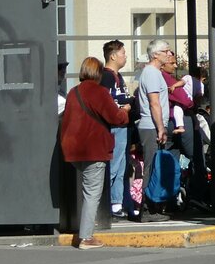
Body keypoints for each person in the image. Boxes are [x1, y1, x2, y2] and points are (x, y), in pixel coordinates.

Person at [60, 56, 129, 249]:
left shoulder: (74, 92)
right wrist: (125, 111)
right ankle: (86, 237)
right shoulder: (99, 92)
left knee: (86, 191)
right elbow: (115, 117)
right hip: (94, 149)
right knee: (92, 194)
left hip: (73, 150)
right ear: (98, 73)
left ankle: (84, 232)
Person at [135, 39, 174, 221]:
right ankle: (146, 208)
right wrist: (161, 128)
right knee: (151, 166)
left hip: (153, 125)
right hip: (151, 126)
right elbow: (154, 103)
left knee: (154, 165)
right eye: (166, 51)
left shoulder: (154, 72)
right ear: (156, 54)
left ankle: (153, 206)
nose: (169, 54)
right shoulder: (151, 73)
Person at [99, 39, 133, 218]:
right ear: (113, 56)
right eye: (122, 53)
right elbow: (106, 101)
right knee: (114, 165)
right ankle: (105, 202)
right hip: (114, 127)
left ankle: (116, 204)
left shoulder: (118, 77)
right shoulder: (106, 76)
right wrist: (123, 109)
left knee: (121, 167)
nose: (125, 57)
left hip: (122, 126)